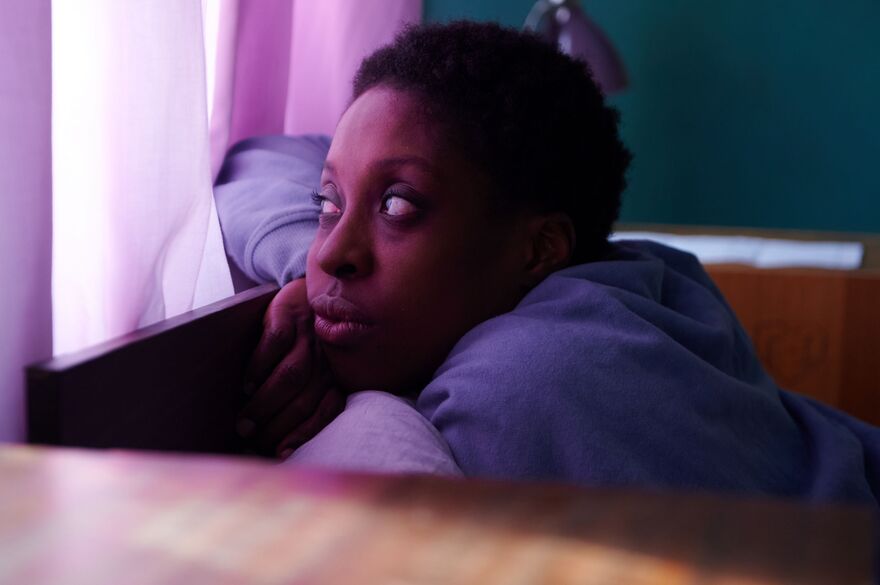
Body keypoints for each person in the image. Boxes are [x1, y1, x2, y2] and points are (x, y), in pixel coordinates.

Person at [215, 22, 879, 505]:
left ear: (538, 249)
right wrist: (305, 274)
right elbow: (260, 160)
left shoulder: (529, 379)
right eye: (327, 201)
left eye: (397, 204)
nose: (333, 252)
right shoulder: (636, 275)